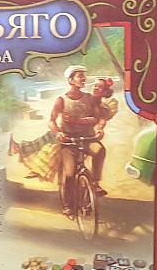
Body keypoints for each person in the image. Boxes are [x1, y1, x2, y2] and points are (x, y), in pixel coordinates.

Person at [49, 65, 115, 196]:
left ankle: (95, 183)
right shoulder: (61, 100)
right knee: (70, 173)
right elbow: (52, 120)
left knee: (100, 150)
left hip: (87, 138)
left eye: (84, 76)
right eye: (80, 76)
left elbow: (98, 118)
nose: (84, 78)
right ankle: (68, 202)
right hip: (69, 141)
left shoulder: (89, 98)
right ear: (71, 80)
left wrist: (99, 129)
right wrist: (58, 133)